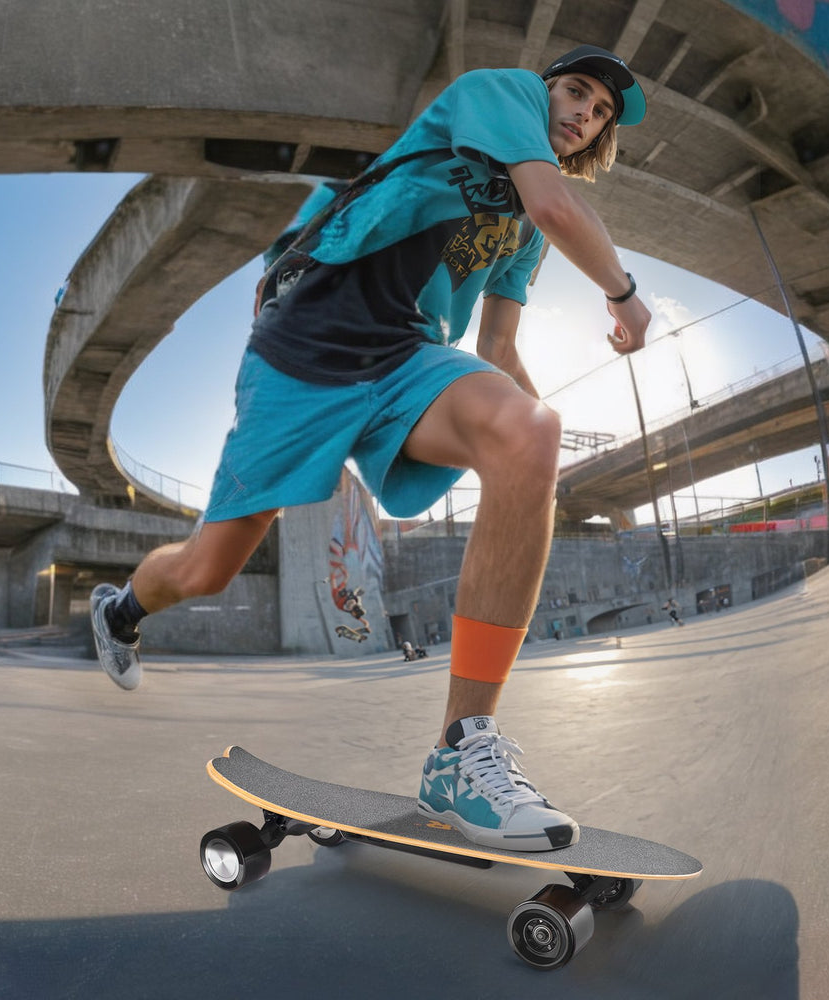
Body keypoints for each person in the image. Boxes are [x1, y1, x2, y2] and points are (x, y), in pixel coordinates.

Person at [90, 44, 651, 852]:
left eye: (598, 114)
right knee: (206, 569)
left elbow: (496, 346)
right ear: (544, 89)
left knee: (530, 431)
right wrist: (624, 296)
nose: (583, 114)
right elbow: (559, 206)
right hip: (302, 354)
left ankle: (460, 755)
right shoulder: (498, 95)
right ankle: (121, 610)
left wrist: (535, 458)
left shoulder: (524, 231)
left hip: (404, 359)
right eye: (576, 92)